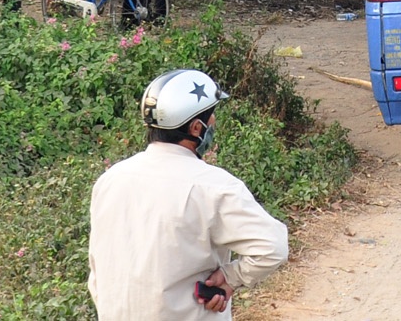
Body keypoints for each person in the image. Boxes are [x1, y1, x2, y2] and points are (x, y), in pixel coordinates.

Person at [88, 68, 289, 319]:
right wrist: (230, 277)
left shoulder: (110, 180)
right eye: (212, 117)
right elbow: (273, 247)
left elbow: (97, 268)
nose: (215, 123)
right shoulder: (214, 186)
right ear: (196, 128)